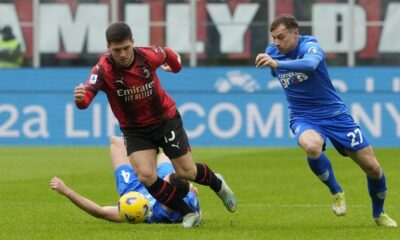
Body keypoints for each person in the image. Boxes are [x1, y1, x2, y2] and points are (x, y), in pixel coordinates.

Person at [73, 22, 236, 228]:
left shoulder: (148, 55)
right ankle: (189, 214)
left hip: (165, 120)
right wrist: (80, 99)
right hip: (135, 130)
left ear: (132, 42)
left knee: (187, 172)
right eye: (116, 50)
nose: (122, 54)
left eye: (126, 48)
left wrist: (175, 67)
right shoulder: (103, 69)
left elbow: (171, 56)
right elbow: (86, 98)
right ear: (108, 48)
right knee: (146, 176)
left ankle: (218, 184)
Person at [255, 14, 397, 227]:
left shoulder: (310, 45)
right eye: (274, 37)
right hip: (303, 116)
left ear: (296, 33)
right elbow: (282, 76)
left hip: (335, 116)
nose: (276, 42)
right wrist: (274, 61)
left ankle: (379, 214)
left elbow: (311, 65)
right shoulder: (272, 52)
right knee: (312, 147)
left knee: (373, 168)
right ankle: (337, 191)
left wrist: (277, 63)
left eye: (281, 37)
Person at [50, 136, 200, 224]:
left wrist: (66, 191)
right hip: (159, 186)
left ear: (168, 192)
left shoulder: (146, 213)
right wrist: (192, 191)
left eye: (164, 181)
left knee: (116, 141)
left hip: (133, 188)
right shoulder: (188, 198)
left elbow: (100, 212)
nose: (162, 179)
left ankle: (146, 154)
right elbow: (193, 198)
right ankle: (149, 152)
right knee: (166, 155)